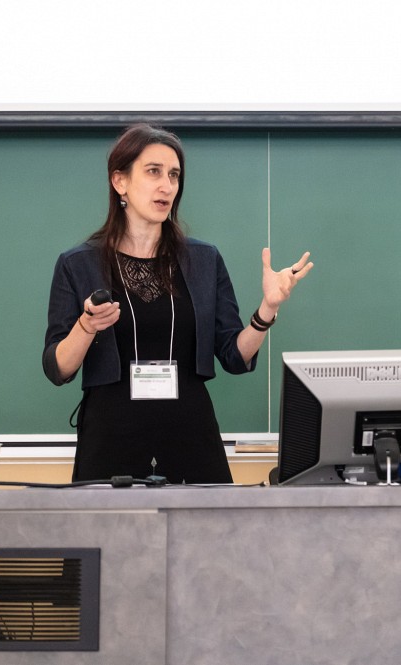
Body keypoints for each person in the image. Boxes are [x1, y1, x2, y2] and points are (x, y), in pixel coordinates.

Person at [42, 124, 313, 484]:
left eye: (174, 176)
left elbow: (235, 356)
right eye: (153, 172)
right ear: (120, 181)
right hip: (111, 436)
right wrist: (86, 326)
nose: (166, 186)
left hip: (190, 433)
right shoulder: (79, 264)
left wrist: (267, 309)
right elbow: (57, 368)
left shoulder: (203, 260)